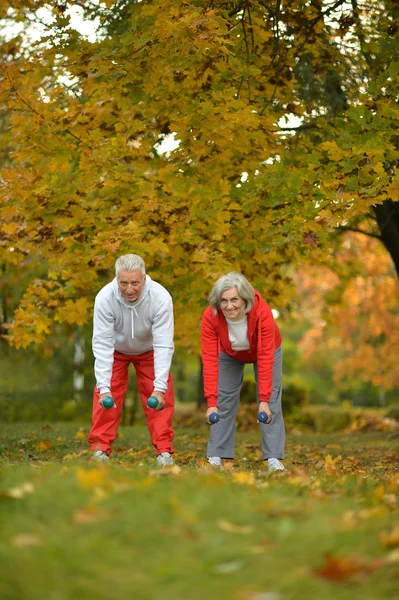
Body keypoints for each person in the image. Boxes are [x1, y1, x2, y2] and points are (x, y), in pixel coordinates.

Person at [88, 253, 175, 467]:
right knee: (105, 397)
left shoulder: (161, 298)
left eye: (135, 282)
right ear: (116, 279)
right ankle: (100, 450)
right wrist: (104, 386)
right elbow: (102, 344)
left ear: (144, 279)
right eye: (123, 283)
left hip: (149, 350)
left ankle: (164, 451)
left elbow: (164, 344)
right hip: (115, 350)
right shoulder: (105, 298)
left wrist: (160, 387)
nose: (129, 289)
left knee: (160, 399)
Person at [201, 272, 285, 472]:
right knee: (223, 400)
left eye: (234, 300)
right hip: (230, 353)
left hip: (266, 349)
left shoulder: (262, 312)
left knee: (271, 401)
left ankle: (273, 458)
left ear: (244, 299)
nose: (229, 306)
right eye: (223, 301)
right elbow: (210, 358)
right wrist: (211, 403)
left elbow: (265, 355)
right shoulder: (210, 315)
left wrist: (264, 400)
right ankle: (216, 455)